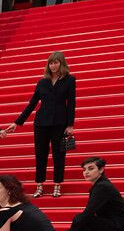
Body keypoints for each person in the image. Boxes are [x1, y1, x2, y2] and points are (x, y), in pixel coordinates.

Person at [5, 51, 76, 198]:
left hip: (60, 123)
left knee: (59, 154)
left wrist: (70, 124)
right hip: (41, 123)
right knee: (40, 154)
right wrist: (17, 122)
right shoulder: (42, 82)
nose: (53, 66)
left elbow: (71, 103)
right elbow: (32, 103)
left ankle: (57, 185)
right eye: (51, 63)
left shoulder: (69, 80)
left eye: (56, 62)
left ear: (61, 63)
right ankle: (39, 185)